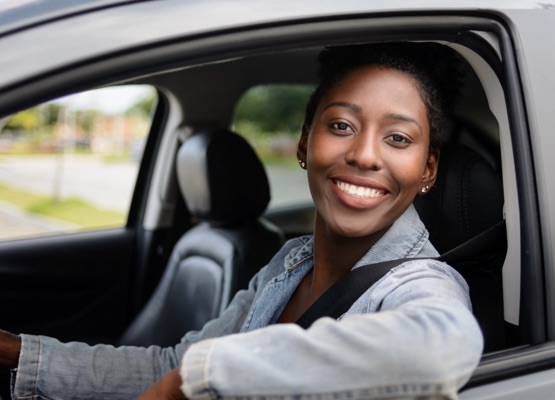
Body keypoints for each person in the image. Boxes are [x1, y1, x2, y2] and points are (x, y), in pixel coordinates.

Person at [0, 42, 483, 400]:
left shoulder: (421, 282)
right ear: (303, 143)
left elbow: (440, 347)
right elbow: (171, 364)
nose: (363, 154)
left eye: (398, 138)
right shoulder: (290, 264)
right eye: (341, 126)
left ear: (428, 169)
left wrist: (204, 376)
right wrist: (17, 353)